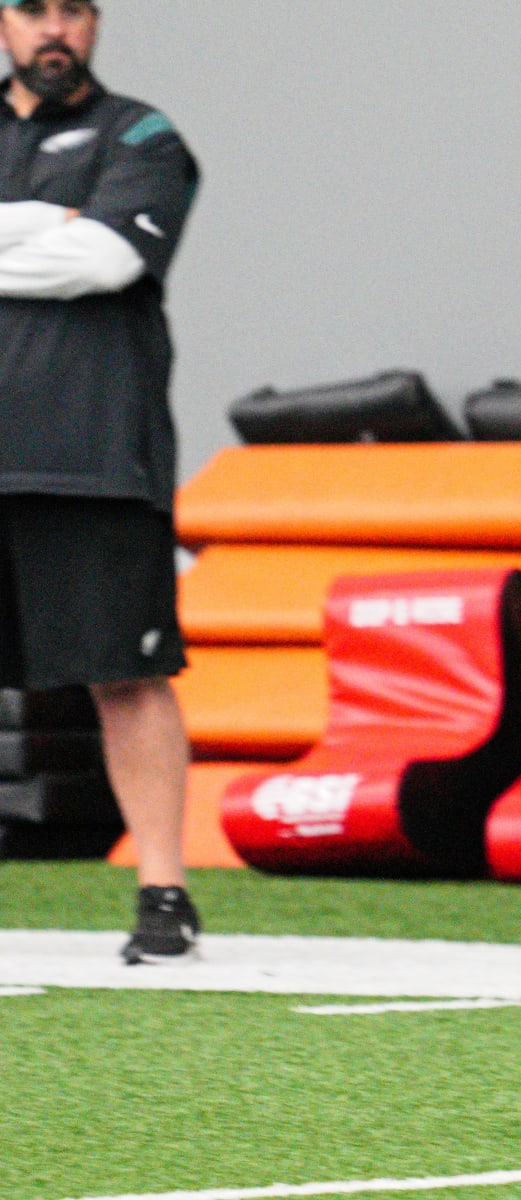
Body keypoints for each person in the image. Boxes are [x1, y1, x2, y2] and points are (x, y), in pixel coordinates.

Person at [0, 0, 201, 963]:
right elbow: (68, 250)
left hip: (93, 456)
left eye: (72, 10)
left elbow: (110, 256)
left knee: (127, 674)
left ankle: (163, 891)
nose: (54, 29)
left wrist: (68, 238)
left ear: (95, 23)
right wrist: (44, 224)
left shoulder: (144, 135)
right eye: (32, 9)